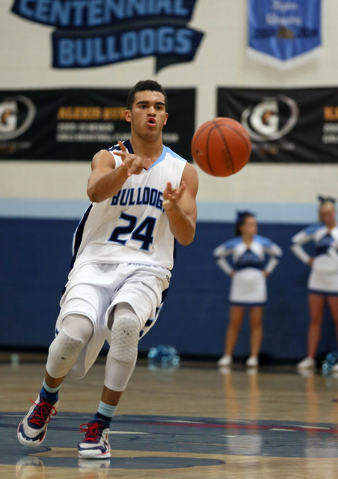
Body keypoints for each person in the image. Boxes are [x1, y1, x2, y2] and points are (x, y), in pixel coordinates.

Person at [17, 80, 198, 459]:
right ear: (128, 114)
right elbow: (95, 192)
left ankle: (100, 425)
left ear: (166, 116)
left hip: (147, 267)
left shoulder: (184, 171)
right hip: (96, 261)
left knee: (127, 325)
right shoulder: (108, 157)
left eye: (159, 106)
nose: (152, 111)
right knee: (72, 336)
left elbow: (186, 236)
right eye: (144, 104)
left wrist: (173, 209)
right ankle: (47, 398)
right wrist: (124, 172)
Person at [213, 211, 282, 368]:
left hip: (257, 286)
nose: (254, 227)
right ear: (242, 227)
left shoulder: (262, 242)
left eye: (255, 224)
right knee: (234, 323)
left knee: (256, 323)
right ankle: (227, 355)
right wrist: (230, 271)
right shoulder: (235, 243)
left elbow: (277, 253)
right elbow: (218, 254)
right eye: (250, 224)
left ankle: (253, 357)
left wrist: (268, 270)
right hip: (239, 286)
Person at [291, 196, 338, 370]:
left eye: (330, 212)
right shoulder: (316, 230)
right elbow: (294, 243)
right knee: (315, 319)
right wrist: (307, 260)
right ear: (320, 214)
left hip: (335, 279)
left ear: (334, 213)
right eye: (324, 213)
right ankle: (310, 358)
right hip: (317, 278)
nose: (327, 216)